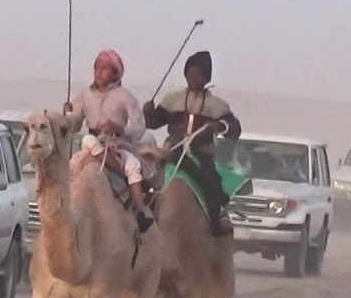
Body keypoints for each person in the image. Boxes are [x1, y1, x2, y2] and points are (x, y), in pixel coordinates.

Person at [142, 50, 242, 236]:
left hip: (200, 154)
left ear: (206, 77)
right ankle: (143, 214)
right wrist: (148, 112)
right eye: (190, 74)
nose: (193, 79)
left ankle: (217, 216)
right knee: (149, 178)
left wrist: (218, 126)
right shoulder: (173, 100)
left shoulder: (217, 105)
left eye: (198, 75)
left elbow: (234, 129)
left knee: (211, 180)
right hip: (172, 152)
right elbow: (153, 123)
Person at [64, 48, 152, 230]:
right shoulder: (84, 95)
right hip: (91, 144)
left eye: (104, 69)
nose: (98, 72)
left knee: (133, 166)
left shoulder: (125, 97)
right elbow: (74, 125)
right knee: (74, 164)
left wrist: (120, 129)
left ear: (115, 73)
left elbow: (139, 128)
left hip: (118, 145)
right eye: (96, 68)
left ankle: (141, 210)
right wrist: (68, 114)